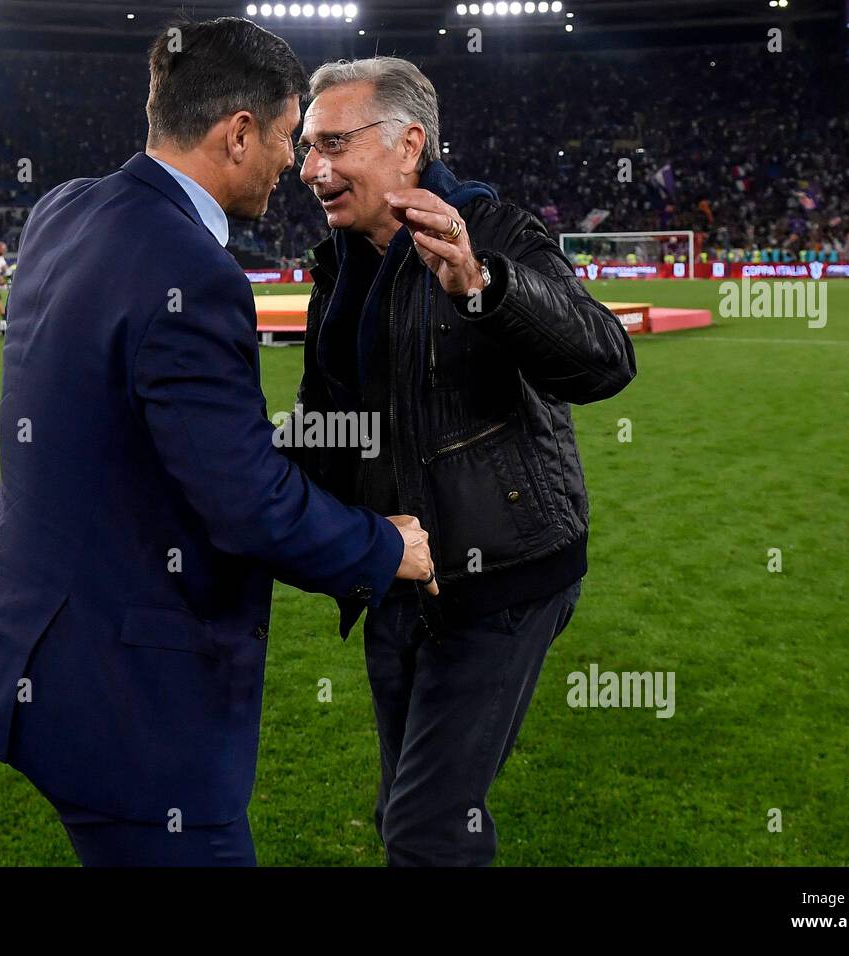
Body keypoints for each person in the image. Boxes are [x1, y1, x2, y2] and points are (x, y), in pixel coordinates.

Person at [0, 18, 436, 868]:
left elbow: (162, 439)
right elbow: (245, 503)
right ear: (239, 133)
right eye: (289, 138)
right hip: (126, 704)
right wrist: (384, 545)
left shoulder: (61, 210)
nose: (296, 163)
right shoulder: (193, 271)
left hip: (26, 645)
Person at [290, 57, 637, 866]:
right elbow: (325, 425)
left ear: (409, 144)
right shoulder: (339, 265)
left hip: (505, 578)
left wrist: (484, 285)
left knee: (424, 828)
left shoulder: (493, 227)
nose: (310, 169)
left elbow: (604, 361)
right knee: (406, 815)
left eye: (334, 144)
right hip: (397, 578)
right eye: (307, 147)